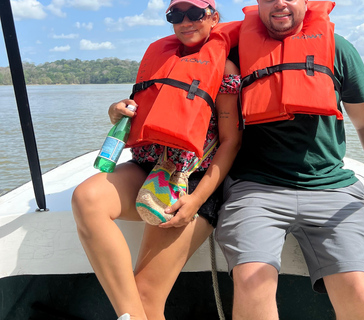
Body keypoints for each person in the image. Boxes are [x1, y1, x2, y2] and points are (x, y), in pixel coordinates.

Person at [214, 0, 364, 319]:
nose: (279, 3)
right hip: (256, 189)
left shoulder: (339, 49)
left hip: (331, 187)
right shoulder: (235, 52)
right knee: (251, 282)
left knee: (359, 292)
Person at [71, 0, 241, 319]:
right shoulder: (161, 59)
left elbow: (231, 142)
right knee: (86, 198)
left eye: (195, 14)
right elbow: (141, 112)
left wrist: (195, 201)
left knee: (147, 296)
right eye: (176, 15)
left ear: (214, 17)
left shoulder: (225, 70)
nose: (185, 21)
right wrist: (114, 112)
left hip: (192, 182)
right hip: (146, 167)